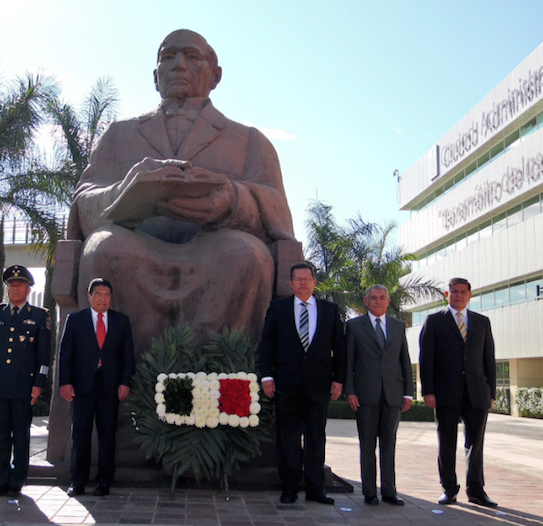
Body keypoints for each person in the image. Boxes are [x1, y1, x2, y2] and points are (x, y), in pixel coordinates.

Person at [66, 29, 297, 353]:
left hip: (217, 248)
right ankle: (117, 387)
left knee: (245, 255)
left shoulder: (249, 141)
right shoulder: (119, 135)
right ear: (155, 76)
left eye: (191, 55)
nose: (178, 65)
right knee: (106, 248)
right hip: (136, 244)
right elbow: (83, 201)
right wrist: (125, 193)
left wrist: (232, 200)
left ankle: (222, 386)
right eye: (167, 56)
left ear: (215, 75)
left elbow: (277, 209)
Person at [259, 263, 346, 504]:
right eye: (297, 279)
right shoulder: (278, 308)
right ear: (290, 283)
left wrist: (339, 379)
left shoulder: (329, 310)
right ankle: (289, 486)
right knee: (288, 437)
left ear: (314, 281)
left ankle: (316, 488)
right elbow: (267, 344)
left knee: (316, 437)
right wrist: (267, 376)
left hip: (319, 385)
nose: (302, 283)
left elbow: (339, 348)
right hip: (286, 384)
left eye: (307, 278)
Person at [419, 277, 497, 508]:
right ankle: (449, 489)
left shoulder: (482, 322)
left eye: (463, 292)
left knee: (476, 445)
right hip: (445, 393)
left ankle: (476, 491)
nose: (459, 295)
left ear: (470, 295)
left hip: (477, 393)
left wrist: (491, 391)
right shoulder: (434, 321)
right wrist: (428, 391)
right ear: (447, 294)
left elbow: (488, 359)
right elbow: (426, 359)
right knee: (446, 443)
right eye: (454, 292)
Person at [59, 278, 135, 497]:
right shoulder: (75, 320)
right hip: (81, 387)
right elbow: (66, 354)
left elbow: (127, 356)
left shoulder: (121, 321)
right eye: (99, 294)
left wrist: (124, 382)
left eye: (107, 294)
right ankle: (77, 481)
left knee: (107, 436)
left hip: (110, 387)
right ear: (89, 295)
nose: (103, 298)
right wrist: (65, 382)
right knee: (80, 435)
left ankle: (104, 482)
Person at [0, 265, 51, 498]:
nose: (15, 288)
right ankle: (1, 479)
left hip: (24, 385)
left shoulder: (39, 316)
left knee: (21, 436)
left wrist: (39, 382)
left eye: (20, 284)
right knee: (0, 436)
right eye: (11, 285)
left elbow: (44, 354)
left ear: (28, 289)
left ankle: (17, 480)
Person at [345, 285, 413, 506]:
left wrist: (409, 393)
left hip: (393, 394)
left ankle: (390, 491)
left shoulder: (398, 326)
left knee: (389, 444)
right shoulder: (354, 326)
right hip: (365, 395)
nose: (377, 301)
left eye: (382, 298)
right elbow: (349, 363)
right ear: (366, 301)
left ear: (388, 300)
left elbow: (404, 360)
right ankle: (369, 492)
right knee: (367, 445)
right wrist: (350, 391)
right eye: (373, 298)